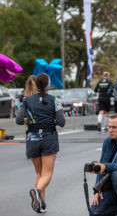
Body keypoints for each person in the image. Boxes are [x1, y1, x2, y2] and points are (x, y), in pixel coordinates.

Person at [16, 73, 66, 213]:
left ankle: (40, 205)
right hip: (49, 138)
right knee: (47, 173)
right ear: (48, 85)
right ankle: (38, 192)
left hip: (32, 138)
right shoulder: (55, 100)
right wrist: (51, 119)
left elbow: (19, 120)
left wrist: (30, 120)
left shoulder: (26, 100)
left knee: (39, 173)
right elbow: (61, 122)